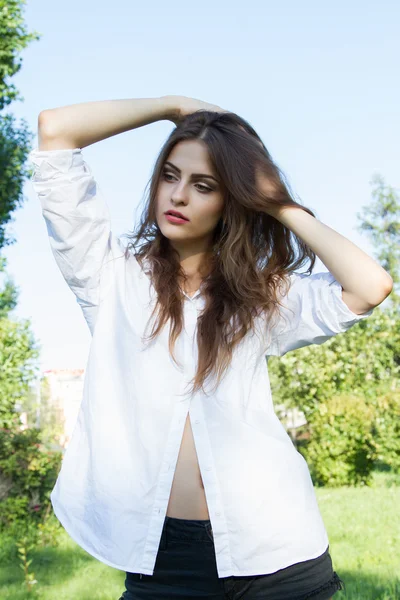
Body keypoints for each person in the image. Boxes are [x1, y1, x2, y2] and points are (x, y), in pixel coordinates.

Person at [28, 95, 393, 599]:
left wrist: (277, 201)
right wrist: (170, 107)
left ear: (231, 201)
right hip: (164, 560)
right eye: (170, 176)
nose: (178, 196)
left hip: (275, 548)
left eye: (204, 186)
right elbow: (55, 131)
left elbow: (369, 286)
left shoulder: (261, 296)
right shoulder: (110, 278)